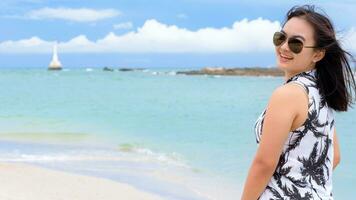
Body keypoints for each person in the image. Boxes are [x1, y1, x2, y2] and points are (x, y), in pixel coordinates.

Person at [241, 5, 356, 200]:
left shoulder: (288, 94)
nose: (284, 47)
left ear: (317, 54)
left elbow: (265, 163)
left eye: (296, 43)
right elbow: (333, 157)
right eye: (281, 38)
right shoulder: (320, 92)